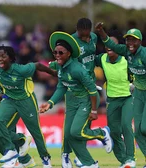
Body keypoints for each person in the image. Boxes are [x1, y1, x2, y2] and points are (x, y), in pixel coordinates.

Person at [0, 45, 57, 168]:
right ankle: (11, 150)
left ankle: (45, 158)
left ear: (11, 58)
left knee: (35, 131)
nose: (0, 59)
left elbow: (38, 66)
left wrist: (53, 73)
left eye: (3, 56)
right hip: (9, 99)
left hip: (26, 100)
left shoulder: (21, 69)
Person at [38, 31, 113, 168]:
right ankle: (89, 164)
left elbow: (92, 91)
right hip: (72, 102)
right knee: (68, 134)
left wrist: (95, 111)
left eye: (61, 53)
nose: (57, 56)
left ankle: (102, 133)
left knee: (76, 132)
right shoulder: (61, 67)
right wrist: (50, 103)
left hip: (85, 101)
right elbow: (62, 87)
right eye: (55, 52)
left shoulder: (78, 69)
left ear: (69, 53)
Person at [95, 22, 146, 167]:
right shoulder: (103, 58)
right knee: (114, 132)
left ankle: (131, 157)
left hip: (129, 97)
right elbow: (88, 63)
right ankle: (124, 161)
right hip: (112, 99)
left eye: (114, 44)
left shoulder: (126, 58)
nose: (109, 46)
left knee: (127, 125)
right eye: (128, 40)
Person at [60, 18, 100, 168]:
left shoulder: (94, 38)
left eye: (86, 34)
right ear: (76, 29)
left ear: (90, 30)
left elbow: (92, 59)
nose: (84, 37)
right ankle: (65, 155)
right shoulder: (71, 41)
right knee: (70, 127)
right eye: (81, 34)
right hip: (74, 88)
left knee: (84, 126)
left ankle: (81, 156)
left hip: (89, 85)